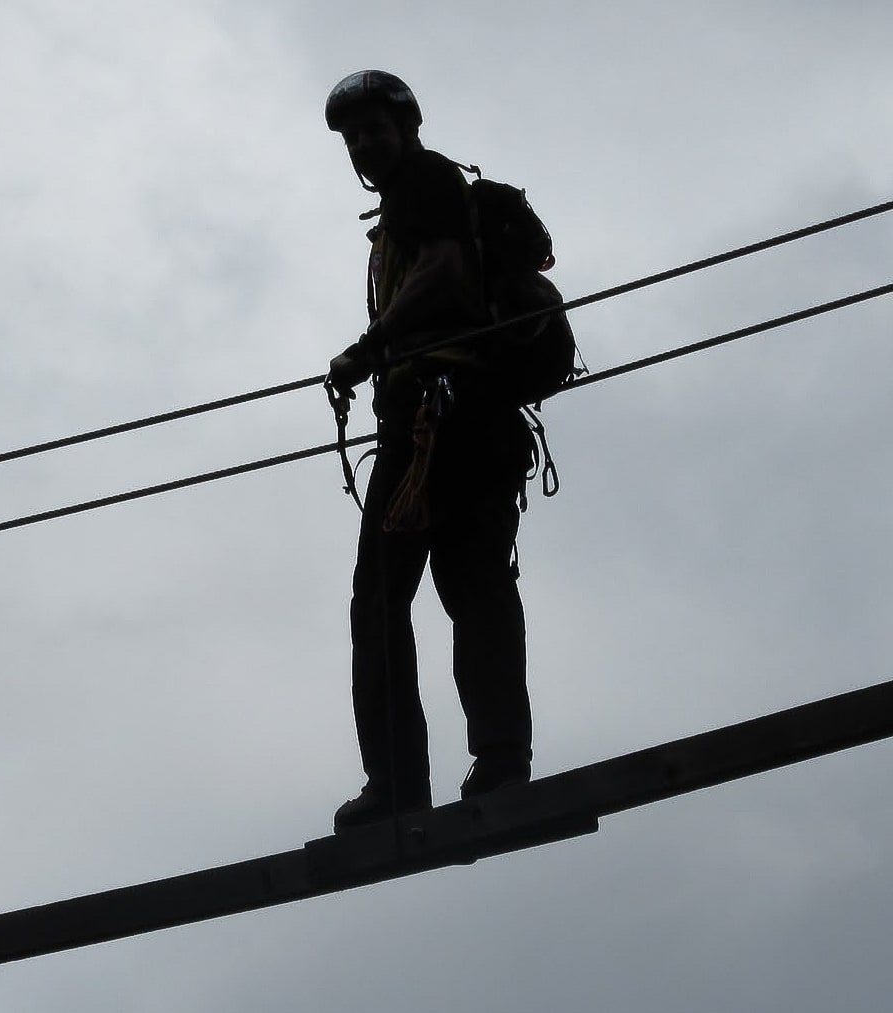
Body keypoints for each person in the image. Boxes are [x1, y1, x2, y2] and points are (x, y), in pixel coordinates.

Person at [324, 70, 535, 832]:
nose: (362, 145)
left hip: (437, 418)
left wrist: (368, 347)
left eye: (373, 130)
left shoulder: (424, 181)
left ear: (406, 129)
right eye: (352, 137)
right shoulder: (409, 203)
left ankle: (399, 782)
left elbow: (444, 271)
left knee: (384, 596)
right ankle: (500, 763)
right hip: (465, 419)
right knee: (473, 586)